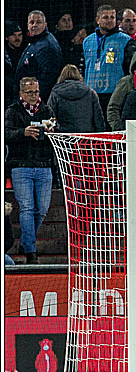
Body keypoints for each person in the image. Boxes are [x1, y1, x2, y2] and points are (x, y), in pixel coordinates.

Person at [5, 77, 56, 264]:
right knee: (26, 207)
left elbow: (56, 132)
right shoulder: (12, 111)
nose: (34, 96)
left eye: (36, 92)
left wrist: (52, 133)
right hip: (20, 166)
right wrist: (23, 133)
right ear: (21, 94)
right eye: (30, 93)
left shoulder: (47, 110)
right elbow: (5, 134)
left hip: (43, 165)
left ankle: (27, 241)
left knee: (41, 210)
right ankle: (31, 253)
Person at [81, 4, 131, 113]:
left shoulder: (125, 40)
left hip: (115, 94)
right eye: (105, 17)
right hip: (92, 94)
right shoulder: (87, 41)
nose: (109, 20)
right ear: (97, 20)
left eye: (112, 17)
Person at [15, 11, 62, 103]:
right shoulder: (34, 42)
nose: (34, 25)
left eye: (39, 22)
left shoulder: (47, 46)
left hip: (36, 102)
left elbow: (48, 79)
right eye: (32, 22)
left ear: (45, 25)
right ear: (27, 25)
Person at [47, 65, 106, 134]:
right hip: (86, 137)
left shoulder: (55, 94)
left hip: (63, 138)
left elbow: (49, 116)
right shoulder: (90, 92)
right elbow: (98, 118)